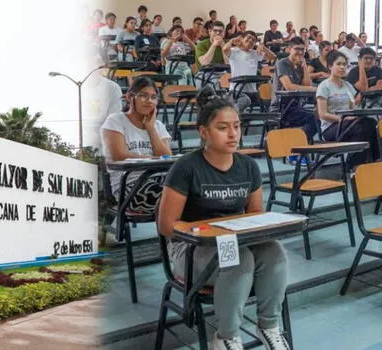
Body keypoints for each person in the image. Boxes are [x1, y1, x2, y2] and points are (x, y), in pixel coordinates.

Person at [158, 86, 291, 350]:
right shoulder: (186, 168)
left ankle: (268, 327)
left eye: (237, 126)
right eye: (222, 128)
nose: (232, 134)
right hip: (192, 249)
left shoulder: (248, 167)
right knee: (239, 259)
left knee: (274, 251)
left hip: (233, 241)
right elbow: (166, 225)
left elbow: (254, 216)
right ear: (204, 132)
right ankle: (226, 336)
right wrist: (210, 233)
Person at [101, 76, 172, 215]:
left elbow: (167, 156)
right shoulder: (115, 121)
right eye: (143, 96)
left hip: (159, 182)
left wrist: (150, 128)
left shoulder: (158, 126)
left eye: (153, 97)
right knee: (177, 199)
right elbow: (120, 155)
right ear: (129, 97)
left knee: (191, 192)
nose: (149, 101)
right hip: (128, 188)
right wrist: (154, 159)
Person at [317, 51, 379, 168]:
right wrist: (343, 119)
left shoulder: (348, 86)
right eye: (338, 64)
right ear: (330, 66)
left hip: (349, 124)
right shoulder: (324, 86)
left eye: (344, 64)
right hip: (331, 128)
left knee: (371, 123)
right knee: (362, 127)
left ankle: (374, 161)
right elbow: (322, 114)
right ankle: (354, 165)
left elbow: (352, 108)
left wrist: (354, 114)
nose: (342, 67)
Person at [271, 37, 317, 140]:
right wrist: (312, 89)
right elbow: (289, 87)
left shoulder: (300, 65)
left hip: (296, 106)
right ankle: (296, 144)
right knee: (314, 118)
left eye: (303, 50)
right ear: (289, 49)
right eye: (297, 49)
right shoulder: (282, 63)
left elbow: (306, 85)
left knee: (317, 117)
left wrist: (304, 65)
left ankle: (295, 144)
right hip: (280, 108)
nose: (300, 52)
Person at [223, 31, 276, 111]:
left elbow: (273, 57)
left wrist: (263, 47)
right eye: (248, 38)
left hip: (252, 91)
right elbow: (225, 49)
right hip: (236, 90)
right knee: (245, 101)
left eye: (253, 40)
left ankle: (242, 119)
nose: (251, 41)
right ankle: (232, 114)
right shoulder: (234, 51)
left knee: (265, 105)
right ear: (242, 39)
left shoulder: (255, 53)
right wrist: (232, 40)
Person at [195, 21, 226, 87]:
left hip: (222, 73)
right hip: (204, 74)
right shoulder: (201, 44)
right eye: (215, 31)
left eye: (220, 31)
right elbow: (205, 63)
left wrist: (223, 47)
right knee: (216, 83)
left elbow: (229, 63)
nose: (218, 33)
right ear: (209, 31)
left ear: (224, 33)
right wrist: (214, 45)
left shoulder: (226, 44)